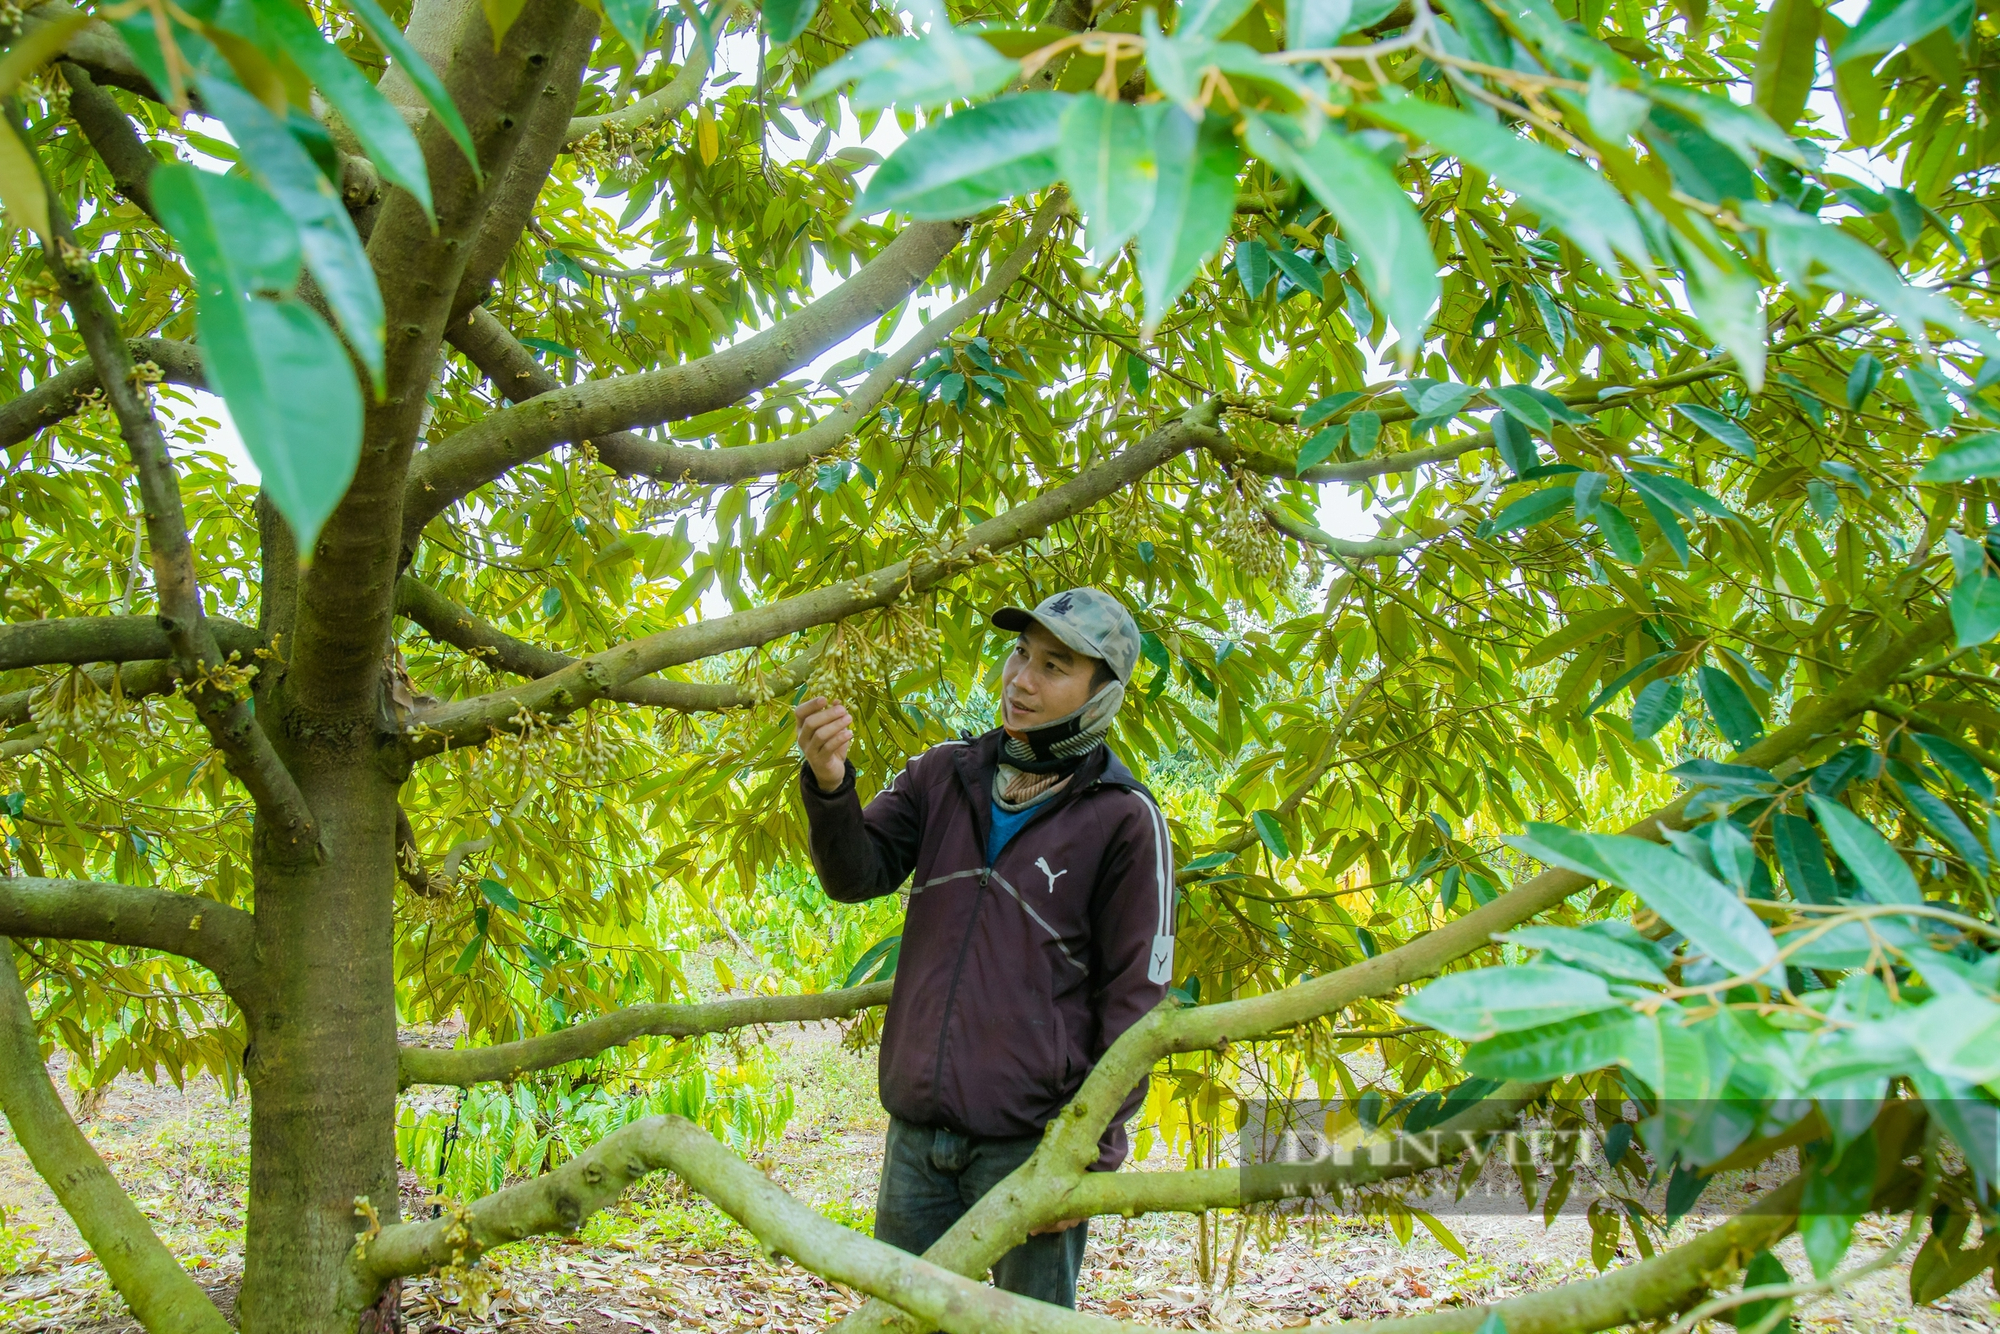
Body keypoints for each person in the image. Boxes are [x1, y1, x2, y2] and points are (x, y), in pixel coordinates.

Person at [792, 586, 1176, 1308]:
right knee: (897, 1321)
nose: (1022, 680)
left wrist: (1088, 1160)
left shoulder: (1125, 820)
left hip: (1032, 1154)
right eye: (1021, 655)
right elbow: (856, 875)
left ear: (1102, 693)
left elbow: (1137, 1008)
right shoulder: (946, 774)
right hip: (916, 1142)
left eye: (1054, 666)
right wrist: (829, 783)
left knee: (1023, 1330)